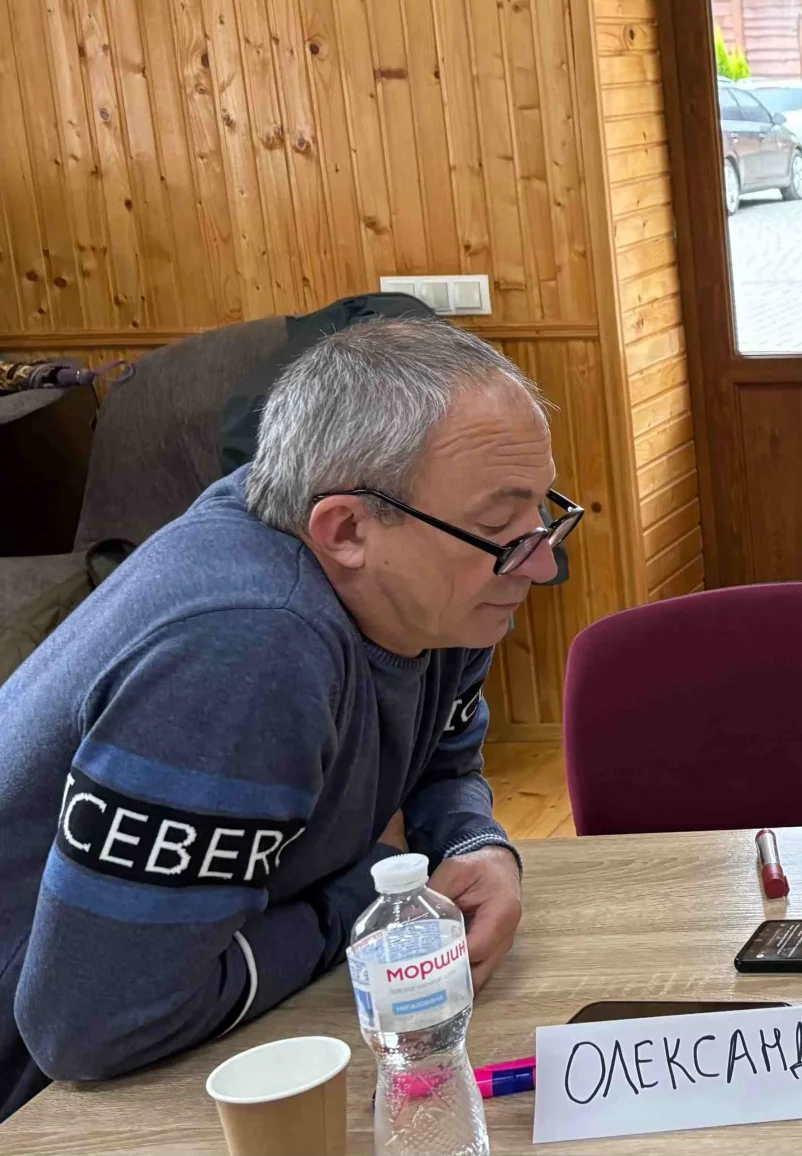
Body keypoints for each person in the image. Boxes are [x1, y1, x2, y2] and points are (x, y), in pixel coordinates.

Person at [0, 318, 578, 1118]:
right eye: (497, 529)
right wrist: (367, 892)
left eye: (540, 514)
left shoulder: (431, 595)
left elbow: (441, 760)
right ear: (345, 528)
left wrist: (473, 844)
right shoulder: (249, 643)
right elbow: (93, 1027)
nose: (541, 563)